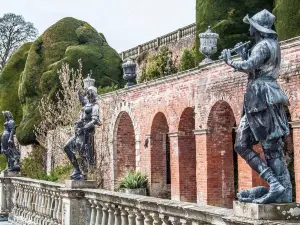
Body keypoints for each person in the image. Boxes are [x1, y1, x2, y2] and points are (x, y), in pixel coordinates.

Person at [220, 9, 292, 204]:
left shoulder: (263, 46)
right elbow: (254, 71)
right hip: (258, 99)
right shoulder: (268, 45)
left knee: (270, 147)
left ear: (258, 27)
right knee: (242, 144)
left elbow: (250, 65)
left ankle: (281, 190)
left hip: (262, 99)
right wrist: (244, 55)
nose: (249, 27)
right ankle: (276, 185)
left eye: (251, 24)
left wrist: (231, 61)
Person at [63, 86, 101, 180]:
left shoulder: (95, 106)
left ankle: (84, 173)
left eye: (89, 93)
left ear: (93, 94)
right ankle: (77, 170)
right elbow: (81, 100)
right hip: (78, 132)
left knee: (82, 153)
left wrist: (84, 127)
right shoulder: (86, 104)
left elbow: (95, 120)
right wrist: (78, 92)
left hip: (86, 133)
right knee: (66, 147)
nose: (87, 95)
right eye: (87, 93)